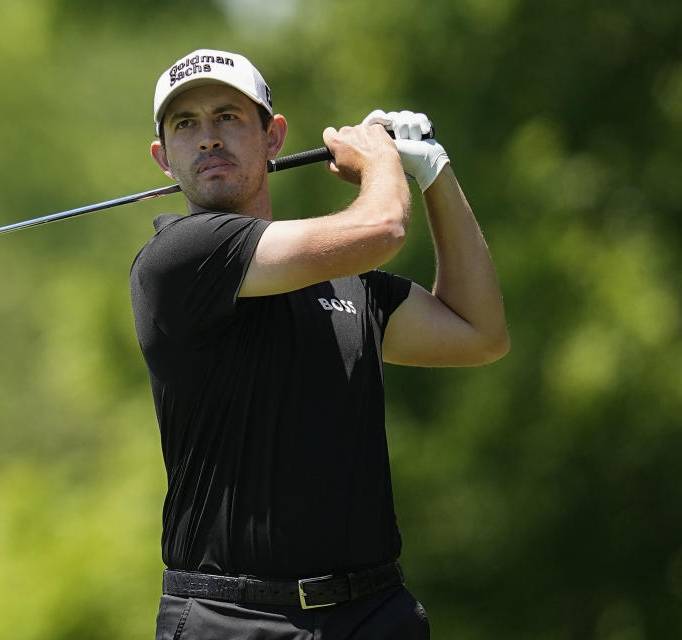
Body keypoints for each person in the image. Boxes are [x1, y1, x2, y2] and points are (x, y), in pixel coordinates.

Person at [130, 48, 509, 640]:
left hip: (375, 613)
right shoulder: (178, 257)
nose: (207, 138)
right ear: (163, 157)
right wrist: (382, 160)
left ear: (272, 136)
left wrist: (435, 173)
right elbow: (382, 228)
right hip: (231, 619)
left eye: (228, 116)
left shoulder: (347, 283)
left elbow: (478, 333)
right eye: (186, 124)